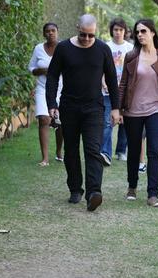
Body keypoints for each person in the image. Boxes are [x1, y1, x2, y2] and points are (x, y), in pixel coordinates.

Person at [46, 14, 120, 212]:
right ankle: (75, 188)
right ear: (77, 27)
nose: (87, 39)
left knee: (93, 150)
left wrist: (115, 108)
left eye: (90, 36)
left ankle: (94, 193)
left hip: (94, 108)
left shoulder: (103, 49)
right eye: (83, 35)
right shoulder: (63, 48)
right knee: (71, 149)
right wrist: (51, 103)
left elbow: (112, 80)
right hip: (69, 106)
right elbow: (52, 76)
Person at [119, 18, 158, 207]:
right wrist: (119, 109)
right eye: (137, 32)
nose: (140, 35)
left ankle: (153, 195)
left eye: (143, 31)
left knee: (154, 151)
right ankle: (132, 186)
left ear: (153, 33)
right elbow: (123, 84)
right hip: (133, 111)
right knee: (134, 150)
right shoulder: (131, 56)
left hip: (156, 109)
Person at [28, 22, 63, 166]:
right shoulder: (38, 49)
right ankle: (45, 159)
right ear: (44, 34)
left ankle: (59, 152)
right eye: (47, 31)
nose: (50, 33)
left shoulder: (64, 48)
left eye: (53, 30)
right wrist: (41, 71)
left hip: (62, 89)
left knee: (61, 122)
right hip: (43, 89)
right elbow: (31, 68)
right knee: (44, 119)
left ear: (57, 32)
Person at [100, 18, 132, 166]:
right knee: (108, 122)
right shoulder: (105, 47)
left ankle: (121, 151)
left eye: (120, 30)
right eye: (115, 30)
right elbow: (99, 68)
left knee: (125, 122)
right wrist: (103, 82)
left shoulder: (130, 48)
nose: (118, 32)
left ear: (125, 32)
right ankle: (104, 153)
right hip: (107, 91)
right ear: (111, 31)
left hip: (125, 91)